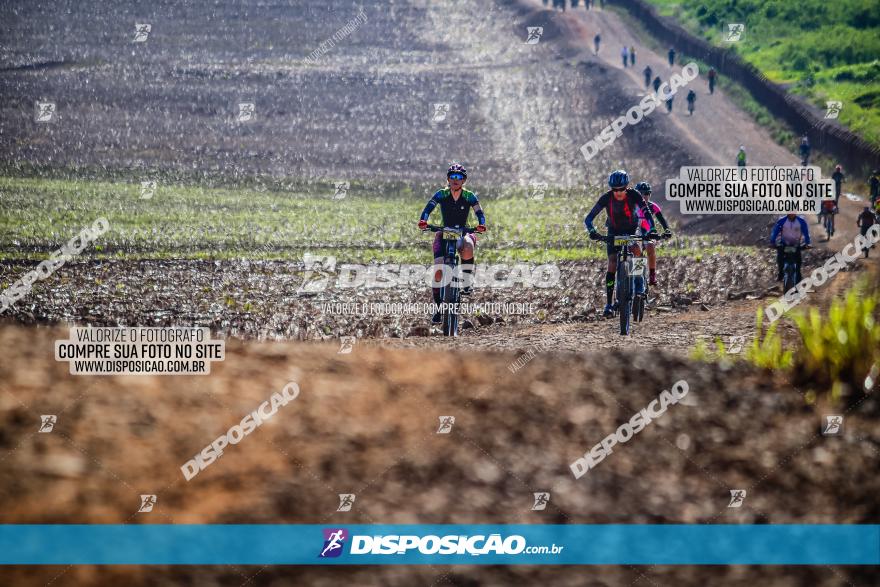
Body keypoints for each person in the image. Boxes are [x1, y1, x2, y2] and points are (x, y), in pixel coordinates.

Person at [418, 163, 487, 323]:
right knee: (438, 270)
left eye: (459, 177)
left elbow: (479, 212)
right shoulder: (441, 194)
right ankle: (438, 309)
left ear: (464, 181)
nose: (455, 180)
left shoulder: (469, 196)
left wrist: (481, 223)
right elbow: (429, 207)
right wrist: (424, 220)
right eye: (453, 176)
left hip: (463, 231)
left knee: (468, 247)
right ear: (448, 179)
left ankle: (467, 281)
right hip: (444, 231)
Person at [584, 170, 658, 317]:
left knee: (637, 250)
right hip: (614, 232)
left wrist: (652, 229)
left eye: (621, 189)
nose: (618, 192)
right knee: (612, 263)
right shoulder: (606, 198)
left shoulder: (635, 195)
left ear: (627, 186)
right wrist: (592, 231)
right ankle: (609, 304)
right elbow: (588, 219)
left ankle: (639, 285)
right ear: (611, 188)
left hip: (631, 230)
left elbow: (647, 213)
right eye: (615, 189)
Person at [634, 182, 672, 285]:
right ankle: (636, 276)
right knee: (636, 251)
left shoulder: (653, 206)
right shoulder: (632, 206)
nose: (644, 196)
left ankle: (652, 275)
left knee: (650, 247)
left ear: (649, 194)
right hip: (635, 230)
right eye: (641, 193)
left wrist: (667, 230)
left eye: (646, 193)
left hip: (647, 230)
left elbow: (662, 220)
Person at [769, 213, 811, 282]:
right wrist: (772, 242)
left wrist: (808, 243)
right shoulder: (781, 221)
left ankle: (798, 281)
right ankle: (781, 274)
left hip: (796, 245)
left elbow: (806, 233)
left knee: (798, 265)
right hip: (784, 244)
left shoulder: (801, 221)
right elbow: (775, 232)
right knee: (780, 259)